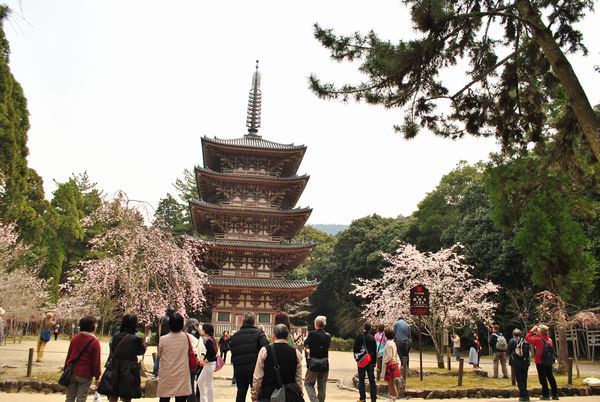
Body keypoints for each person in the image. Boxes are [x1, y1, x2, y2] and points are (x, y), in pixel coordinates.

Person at [100, 314, 147, 402]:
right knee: (127, 395)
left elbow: (112, 349)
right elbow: (140, 352)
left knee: (113, 394)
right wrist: (144, 345)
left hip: (115, 367)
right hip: (129, 369)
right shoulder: (136, 338)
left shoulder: (116, 336)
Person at [251, 324, 303, 402]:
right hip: (288, 396)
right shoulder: (296, 353)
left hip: (268, 395)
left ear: (273, 336)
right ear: (288, 337)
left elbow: (258, 377)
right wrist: (300, 393)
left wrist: (254, 395)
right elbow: (298, 378)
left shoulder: (264, 350)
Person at [229, 312, 269, 402]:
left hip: (239, 369)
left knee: (241, 392)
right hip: (255, 369)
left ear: (243, 321)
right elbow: (267, 348)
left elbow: (232, 350)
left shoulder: (234, 336)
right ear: (254, 321)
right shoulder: (259, 334)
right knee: (257, 393)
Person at [63, 316, 101, 402]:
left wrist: (66, 368)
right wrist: (97, 376)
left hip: (72, 371)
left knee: (69, 398)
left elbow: (69, 355)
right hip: (85, 373)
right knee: (81, 399)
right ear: (93, 327)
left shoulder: (75, 338)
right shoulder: (95, 341)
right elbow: (96, 361)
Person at [157, 313, 193, 402]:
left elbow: (159, 354)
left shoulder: (163, 339)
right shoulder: (187, 337)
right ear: (182, 324)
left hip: (167, 372)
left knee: (164, 398)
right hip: (182, 372)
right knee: (181, 398)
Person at [526, 324, 559, 400]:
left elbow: (527, 338)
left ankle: (546, 394)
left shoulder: (538, 340)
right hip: (549, 361)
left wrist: (532, 329)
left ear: (540, 332)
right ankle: (555, 394)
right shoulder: (549, 340)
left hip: (540, 361)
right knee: (551, 377)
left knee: (543, 378)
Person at [304, 315, 331, 402]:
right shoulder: (328, 336)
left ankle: (314, 400)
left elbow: (305, 343)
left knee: (308, 383)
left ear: (315, 324)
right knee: (322, 386)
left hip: (314, 362)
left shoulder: (311, 334)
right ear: (324, 324)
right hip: (324, 363)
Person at [353, 322, 377, 402]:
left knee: (361, 380)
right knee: (372, 380)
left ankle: (362, 398)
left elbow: (355, 349)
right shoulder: (372, 338)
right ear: (370, 328)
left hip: (362, 361)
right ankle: (373, 398)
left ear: (364, 327)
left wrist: (357, 359)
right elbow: (374, 351)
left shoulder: (359, 336)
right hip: (370, 361)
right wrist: (374, 362)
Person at [508, 328, 530, 402]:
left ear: (513, 334)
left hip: (517, 363)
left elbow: (508, 351)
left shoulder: (512, 341)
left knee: (519, 379)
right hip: (525, 362)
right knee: (524, 379)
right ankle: (522, 395)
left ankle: (525, 395)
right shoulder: (525, 341)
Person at [197, 323, 218, 402]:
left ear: (206, 331)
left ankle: (206, 400)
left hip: (209, 364)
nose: (201, 330)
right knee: (204, 381)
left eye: (202, 329)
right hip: (209, 364)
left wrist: (206, 360)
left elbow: (212, 354)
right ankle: (205, 399)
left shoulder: (209, 341)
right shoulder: (212, 339)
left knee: (205, 382)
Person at [187, 318, 205, 402]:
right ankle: (198, 399)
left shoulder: (187, 336)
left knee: (190, 386)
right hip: (200, 363)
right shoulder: (200, 338)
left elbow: (193, 350)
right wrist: (201, 359)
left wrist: (198, 359)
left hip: (191, 363)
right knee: (199, 384)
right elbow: (203, 350)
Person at [154, 306, 177, 375]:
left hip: (159, 339)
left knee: (159, 356)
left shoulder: (161, 319)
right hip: (168, 340)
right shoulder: (171, 320)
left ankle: (155, 372)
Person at [382, 328, 400, 402]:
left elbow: (389, 355)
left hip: (390, 364)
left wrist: (385, 361)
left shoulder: (388, 344)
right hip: (393, 363)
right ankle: (392, 396)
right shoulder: (393, 343)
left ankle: (394, 396)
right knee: (390, 381)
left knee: (390, 382)